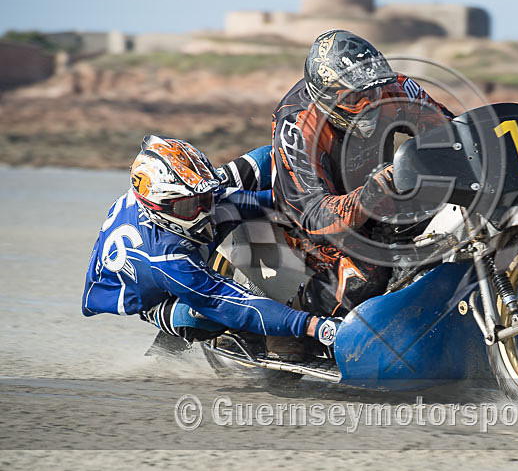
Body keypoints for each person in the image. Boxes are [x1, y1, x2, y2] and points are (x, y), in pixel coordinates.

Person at [81, 135, 340, 361]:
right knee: (202, 316)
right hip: (155, 296)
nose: (204, 210)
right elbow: (227, 302)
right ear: (159, 208)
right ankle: (234, 336)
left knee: (266, 161)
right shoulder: (166, 259)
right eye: (188, 207)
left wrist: (320, 197)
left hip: (169, 236)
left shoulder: (181, 194)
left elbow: (244, 201)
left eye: (204, 198)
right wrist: (314, 326)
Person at [270, 29, 454, 324]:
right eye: (356, 95)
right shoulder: (298, 124)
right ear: (328, 97)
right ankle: (293, 323)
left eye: (372, 90)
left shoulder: (394, 88)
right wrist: (370, 194)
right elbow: (314, 216)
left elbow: (451, 132)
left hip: (384, 198)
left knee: (453, 228)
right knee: (367, 275)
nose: (370, 101)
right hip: (311, 223)